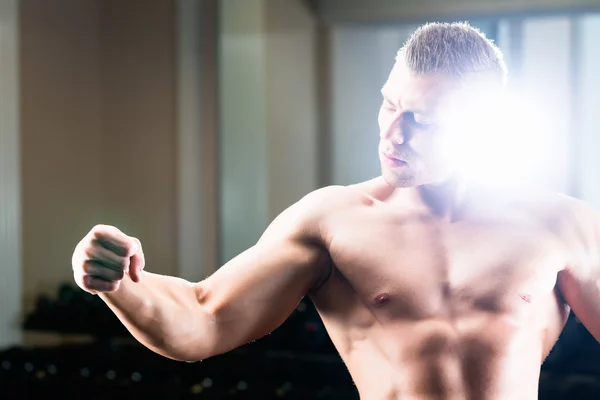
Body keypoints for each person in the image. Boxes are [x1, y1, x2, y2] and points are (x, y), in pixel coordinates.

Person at [71, 22, 600, 399]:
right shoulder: (333, 222)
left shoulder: (561, 226)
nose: (393, 134)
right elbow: (204, 322)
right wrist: (123, 284)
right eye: (390, 104)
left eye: (423, 120)